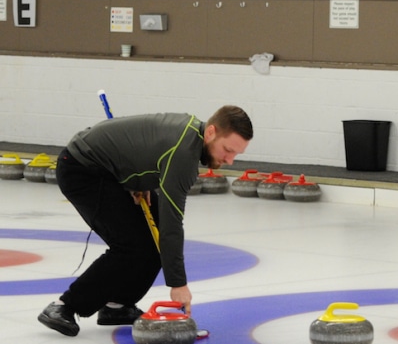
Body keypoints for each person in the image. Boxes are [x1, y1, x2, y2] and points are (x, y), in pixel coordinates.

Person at [37, 106, 254, 337]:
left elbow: (145, 149)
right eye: (228, 150)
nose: (230, 160)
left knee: (152, 241)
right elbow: (172, 224)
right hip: (83, 169)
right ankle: (65, 306)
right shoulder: (183, 154)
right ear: (211, 132)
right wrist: (178, 284)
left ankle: (118, 305)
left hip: (110, 173)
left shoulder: (191, 134)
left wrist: (140, 182)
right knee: (131, 245)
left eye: (236, 154)